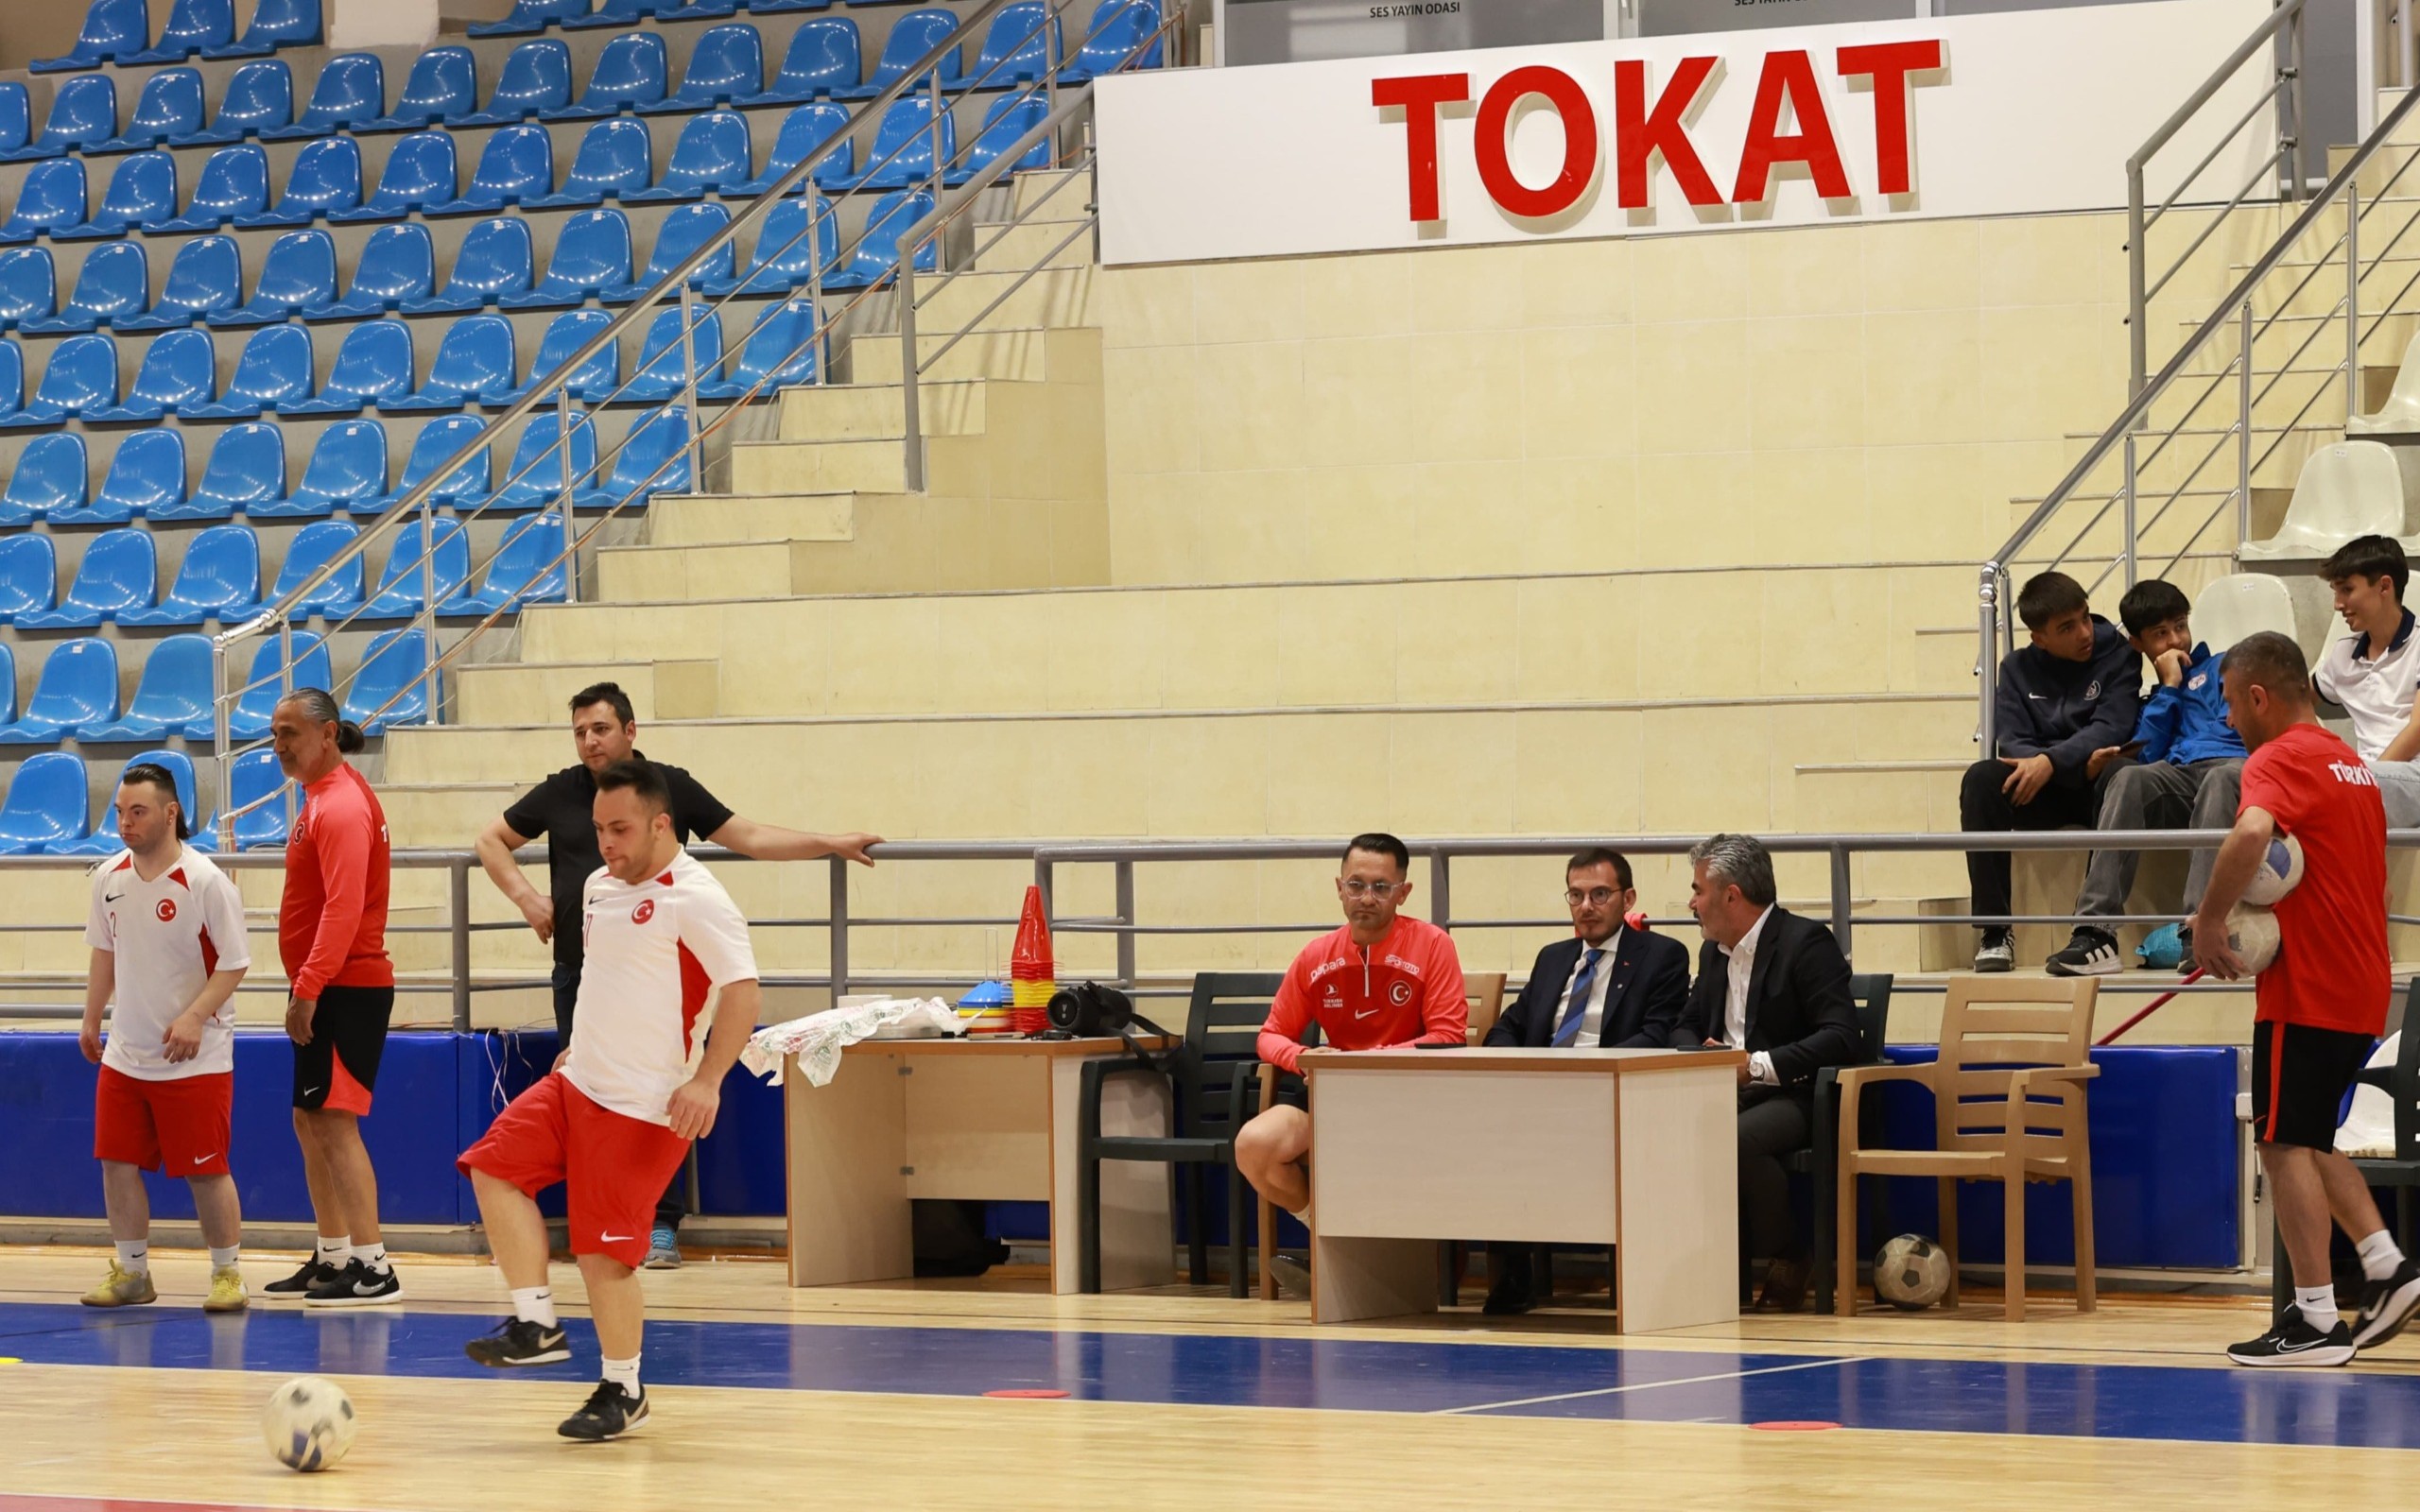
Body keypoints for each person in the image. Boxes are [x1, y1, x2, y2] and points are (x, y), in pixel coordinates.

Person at [474, 681, 877, 1269]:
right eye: (581, 732)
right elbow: (491, 840)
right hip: (586, 976)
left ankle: (652, 1226)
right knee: (585, 1098)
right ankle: (589, 1240)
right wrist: (528, 899)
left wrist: (828, 843)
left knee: (655, 1093)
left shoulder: (670, 788)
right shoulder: (561, 792)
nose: (590, 741)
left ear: (630, 732)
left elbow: (751, 837)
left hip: (659, 975)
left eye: (601, 729)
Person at [458, 760, 762, 1440]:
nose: (607, 844)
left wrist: (708, 1080)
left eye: (620, 829)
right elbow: (607, 976)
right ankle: (536, 1321)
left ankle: (624, 1390)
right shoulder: (597, 887)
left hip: (645, 1107)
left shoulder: (699, 898)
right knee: (493, 1168)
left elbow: (742, 994)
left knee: (604, 1257)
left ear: (661, 824)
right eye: (598, 830)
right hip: (578, 1080)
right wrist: (579, 1043)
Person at [2192, 631, 2420, 1366]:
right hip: (2361, 979)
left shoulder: (2278, 757)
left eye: (2230, 702)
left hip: (2309, 988)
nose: (2228, 720)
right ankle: (2388, 1266)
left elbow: (2252, 832)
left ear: (2259, 696)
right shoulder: (2350, 763)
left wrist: (2208, 921)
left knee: (2282, 1142)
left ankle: (2316, 1321)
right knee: (2311, 1136)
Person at [1232, 833, 1467, 1297]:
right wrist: (1298, 1057)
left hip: (1414, 1109)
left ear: (1404, 892)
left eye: (1382, 887)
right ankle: (1329, 1240)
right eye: (1356, 885)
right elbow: (1270, 1034)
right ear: (1338, 887)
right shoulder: (1316, 955)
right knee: (1253, 1144)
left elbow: (1447, 1036)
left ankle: (1356, 1262)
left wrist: (1367, 1062)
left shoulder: (1433, 945)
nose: (1367, 898)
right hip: (1331, 1106)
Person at [1478, 847, 1689, 1314]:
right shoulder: (1553, 958)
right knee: (1492, 1132)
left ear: (1627, 898)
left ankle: (1632, 1272)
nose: (1587, 907)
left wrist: (1587, 1075)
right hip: (1540, 1096)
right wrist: (1514, 1067)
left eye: (1599, 894)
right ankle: (1513, 1275)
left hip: (1612, 1095)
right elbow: (1510, 1025)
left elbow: (1657, 1034)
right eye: (1576, 896)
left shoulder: (1662, 956)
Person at [76, 765, 252, 1314]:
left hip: (195, 1060)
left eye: (138, 811)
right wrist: (90, 1018)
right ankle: (132, 1272)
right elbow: (105, 952)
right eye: (120, 812)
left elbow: (235, 963)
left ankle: (227, 1274)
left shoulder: (205, 882)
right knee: (117, 1162)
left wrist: (196, 1017)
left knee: (205, 1169)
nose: (125, 823)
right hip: (127, 1054)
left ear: (170, 813)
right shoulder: (108, 878)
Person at [1669, 833, 1859, 1314]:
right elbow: (1686, 1024)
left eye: (1698, 890)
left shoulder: (1806, 942)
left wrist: (1755, 1065)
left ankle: (1791, 1255)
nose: (1691, 903)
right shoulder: (1713, 951)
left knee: (1731, 1138)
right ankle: (1694, 1264)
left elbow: (1840, 1035)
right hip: (1726, 1090)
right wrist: (1704, 1059)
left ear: (1731, 895)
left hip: (1795, 1093)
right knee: (1667, 1125)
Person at [261, 689, 400, 1308]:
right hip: (327, 984)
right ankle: (334, 1253)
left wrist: (308, 988)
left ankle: (374, 1267)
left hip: (345, 986)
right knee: (309, 1119)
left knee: (335, 1121)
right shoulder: (319, 799)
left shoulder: (340, 805)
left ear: (329, 734)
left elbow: (342, 910)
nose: (280, 745)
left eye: (290, 732)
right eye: (275, 733)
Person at [2046, 578, 2247, 975]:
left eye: (2180, 625)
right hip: (2181, 775)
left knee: (2221, 778)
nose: (2176, 639)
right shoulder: (2155, 699)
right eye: (2160, 633)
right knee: (2128, 778)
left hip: (2235, 768)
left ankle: (2199, 930)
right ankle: (2096, 935)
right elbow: (2151, 752)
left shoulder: (2224, 666)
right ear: (2137, 643)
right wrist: (2170, 688)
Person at [1962, 570, 2144, 971]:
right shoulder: (2015, 668)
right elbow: (2012, 742)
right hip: (2047, 785)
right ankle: (1995, 932)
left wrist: (2053, 762)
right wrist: (2057, 766)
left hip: (2096, 782)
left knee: (2122, 773)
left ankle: (2096, 932)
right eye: (2067, 627)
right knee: (1982, 779)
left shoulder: (2120, 657)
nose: (2084, 633)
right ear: (2039, 638)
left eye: (2085, 617)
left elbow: (2111, 726)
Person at [2314, 535, 2420, 827]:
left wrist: (2363, 779)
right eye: (2336, 592)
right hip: (2367, 777)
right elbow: (2294, 702)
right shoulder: (2343, 655)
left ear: (2385, 586)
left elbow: (2418, 729)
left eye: (2347, 590)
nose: (2337, 604)